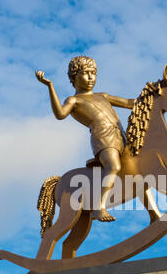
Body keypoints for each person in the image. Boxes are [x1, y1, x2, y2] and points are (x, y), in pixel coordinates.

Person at [36, 56, 134, 222]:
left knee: (139, 168)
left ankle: (154, 215)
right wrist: (50, 86)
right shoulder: (74, 100)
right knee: (114, 166)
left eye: (93, 73)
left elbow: (129, 102)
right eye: (85, 73)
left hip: (120, 135)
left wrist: (153, 92)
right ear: (74, 77)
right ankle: (99, 207)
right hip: (103, 137)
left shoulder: (103, 96)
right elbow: (60, 114)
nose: (90, 77)